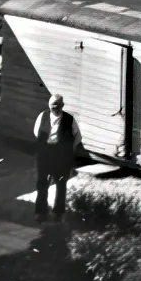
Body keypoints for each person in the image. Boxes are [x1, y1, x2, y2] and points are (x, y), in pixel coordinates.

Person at [32, 93, 80, 224]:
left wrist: (69, 150)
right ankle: (41, 213)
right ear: (49, 106)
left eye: (58, 107)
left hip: (61, 157)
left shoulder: (70, 119)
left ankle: (58, 213)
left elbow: (77, 137)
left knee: (61, 184)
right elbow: (37, 132)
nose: (56, 110)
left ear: (62, 106)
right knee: (42, 184)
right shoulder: (42, 116)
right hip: (45, 155)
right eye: (53, 107)